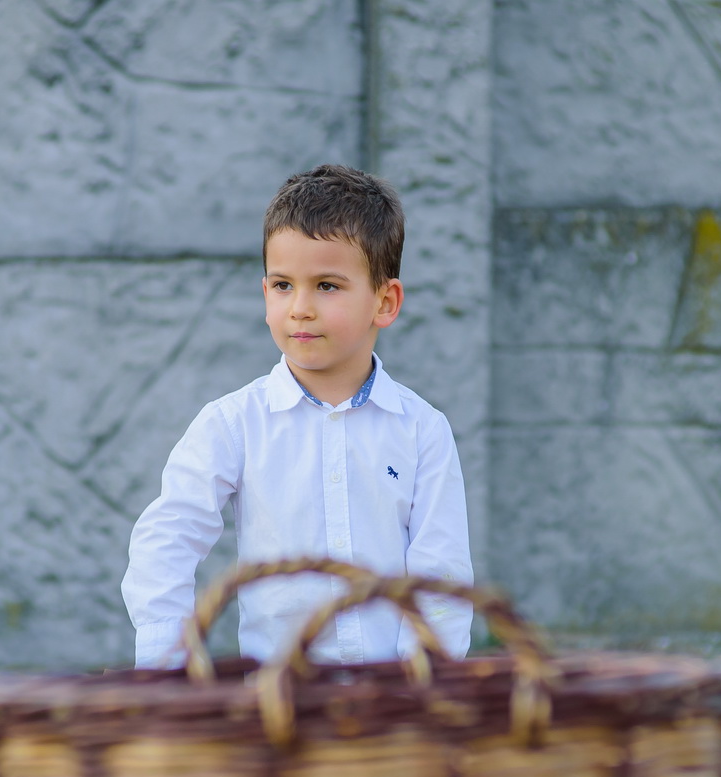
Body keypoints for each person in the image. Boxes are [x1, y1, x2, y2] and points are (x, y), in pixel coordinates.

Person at [122, 164, 472, 669]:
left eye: (327, 286)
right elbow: (167, 540)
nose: (300, 308)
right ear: (265, 293)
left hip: (392, 700)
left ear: (385, 301)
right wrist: (165, 665)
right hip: (276, 698)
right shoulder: (234, 424)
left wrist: (422, 687)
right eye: (284, 285)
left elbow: (442, 575)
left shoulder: (422, 430)